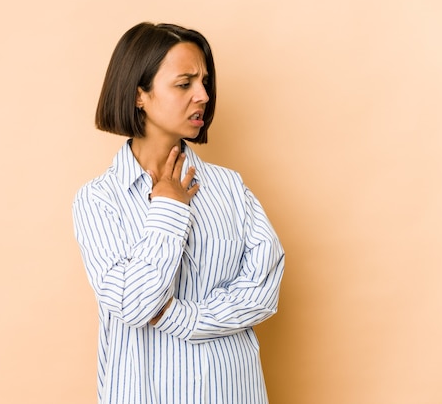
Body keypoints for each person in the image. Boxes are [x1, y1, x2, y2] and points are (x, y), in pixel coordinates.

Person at [72, 22, 285, 404]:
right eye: (184, 83)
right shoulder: (98, 200)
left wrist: (182, 317)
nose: (203, 95)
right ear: (140, 95)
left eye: (205, 82)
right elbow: (133, 304)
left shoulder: (230, 188)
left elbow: (263, 290)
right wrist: (169, 208)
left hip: (232, 391)